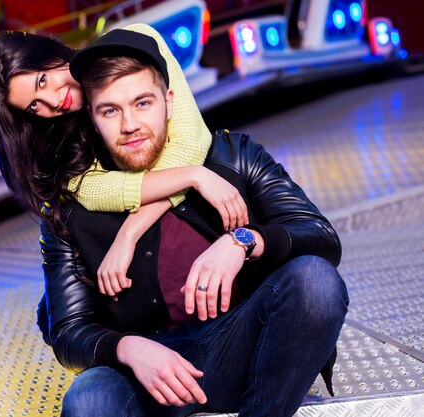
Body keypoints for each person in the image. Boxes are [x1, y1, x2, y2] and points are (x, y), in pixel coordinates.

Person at [39, 28, 349, 417]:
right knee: (88, 399)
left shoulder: (231, 156)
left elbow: (320, 237)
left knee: (315, 281)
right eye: (111, 110)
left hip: (241, 347)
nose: (130, 124)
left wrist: (243, 241)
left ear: (169, 102)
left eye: (143, 103)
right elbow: (68, 330)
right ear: (92, 116)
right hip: (150, 372)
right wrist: (128, 348)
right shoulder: (71, 211)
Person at [0, 24, 249, 300]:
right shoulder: (61, 149)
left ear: (50, 53)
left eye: (42, 81)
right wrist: (193, 177)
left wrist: (129, 233)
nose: (53, 102)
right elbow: (98, 193)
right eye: (34, 105)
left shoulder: (136, 43)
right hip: (144, 291)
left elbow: (190, 145)